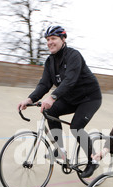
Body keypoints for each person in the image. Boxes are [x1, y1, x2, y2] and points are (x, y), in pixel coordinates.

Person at [17, 25, 102, 178]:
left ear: (63, 40)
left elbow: (70, 80)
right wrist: (29, 99)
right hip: (70, 98)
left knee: (76, 127)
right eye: (48, 40)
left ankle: (92, 161)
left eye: (54, 39)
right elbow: (44, 84)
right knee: (49, 110)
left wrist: (53, 97)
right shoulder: (50, 62)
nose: (50, 42)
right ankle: (60, 149)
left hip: (89, 98)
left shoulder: (73, 55)